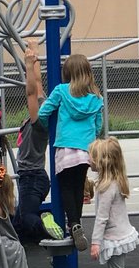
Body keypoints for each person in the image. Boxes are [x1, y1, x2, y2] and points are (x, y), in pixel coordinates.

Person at [38, 53, 103, 251]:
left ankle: (73, 223)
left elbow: (43, 113)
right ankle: (77, 223)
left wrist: (46, 127)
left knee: (65, 187)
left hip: (65, 146)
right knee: (77, 187)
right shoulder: (96, 98)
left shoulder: (61, 91)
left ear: (67, 73)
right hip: (85, 150)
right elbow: (98, 125)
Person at [88, 137, 139, 268]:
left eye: (92, 157)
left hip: (113, 237)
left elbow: (102, 218)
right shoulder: (115, 181)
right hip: (122, 233)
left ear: (102, 161)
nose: (89, 160)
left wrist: (96, 243)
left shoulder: (106, 187)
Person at [13, 39, 60, 242]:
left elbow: (31, 91)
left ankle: (46, 223)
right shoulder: (43, 107)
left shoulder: (38, 122)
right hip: (33, 177)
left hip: (31, 177)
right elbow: (38, 85)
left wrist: (28, 65)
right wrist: (35, 53)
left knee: (28, 218)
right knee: (17, 224)